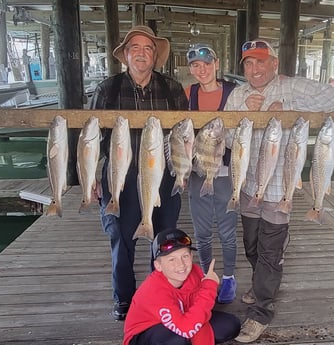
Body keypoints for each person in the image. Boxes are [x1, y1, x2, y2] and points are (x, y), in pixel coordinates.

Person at [223, 39, 334, 343]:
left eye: (261, 62)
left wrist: (288, 107)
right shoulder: (238, 94)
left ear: (274, 64)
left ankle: (261, 311)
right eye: (249, 64)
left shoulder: (291, 87)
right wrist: (241, 114)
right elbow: (225, 140)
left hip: (279, 188)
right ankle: (262, 284)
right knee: (251, 245)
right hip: (249, 185)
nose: (255, 69)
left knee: (270, 251)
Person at [89, 25, 188, 321]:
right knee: (121, 239)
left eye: (147, 49)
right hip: (120, 179)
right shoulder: (108, 89)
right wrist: (92, 174)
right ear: (126, 55)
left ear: (155, 56)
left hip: (162, 177)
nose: (141, 54)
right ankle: (124, 300)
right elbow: (92, 136)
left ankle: (160, 297)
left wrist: (183, 170)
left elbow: (185, 135)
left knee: (166, 241)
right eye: (135, 48)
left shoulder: (172, 89)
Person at [184, 43, 239, 304]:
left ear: (216, 63)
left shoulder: (234, 92)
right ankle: (208, 275)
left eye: (206, 63)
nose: (202, 69)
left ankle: (228, 278)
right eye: (196, 65)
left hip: (227, 172)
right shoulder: (187, 93)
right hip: (198, 172)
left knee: (227, 231)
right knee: (202, 231)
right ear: (191, 70)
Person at [123, 228, 241, 345]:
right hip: (146, 333)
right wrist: (209, 287)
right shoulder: (154, 291)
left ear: (191, 256)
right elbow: (187, 328)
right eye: (171, 259)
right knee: (178, 339)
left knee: (231, 324)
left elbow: (199, 314)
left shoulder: (195, 272)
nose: (181, 265)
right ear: (158, 266)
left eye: (185, 256)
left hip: (182, 319)